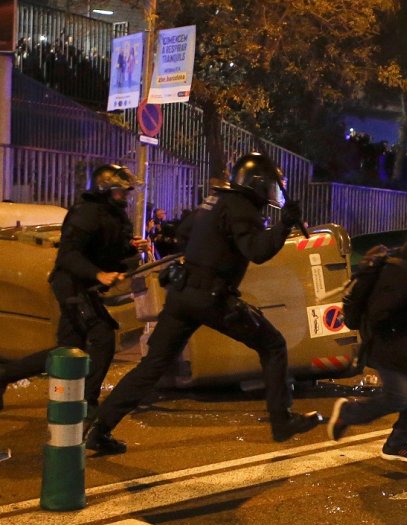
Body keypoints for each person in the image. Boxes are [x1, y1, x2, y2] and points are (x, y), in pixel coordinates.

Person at [85, 152, 321, 454]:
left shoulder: (216, 200)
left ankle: (100, 430)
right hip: (211, 298)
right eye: (273, 185)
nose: (275, 192)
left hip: (183, 293)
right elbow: (257, 250)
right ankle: (281, 419)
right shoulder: (243, 208)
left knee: (152, 366)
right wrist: (284, 225)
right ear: (258, 185)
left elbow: (184, 232)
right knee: (272, 345)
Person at [0, 164, 147, 418]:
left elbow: (111, 249)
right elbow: (69, 255)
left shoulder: (113, 214)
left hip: (85, 286)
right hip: (72, 285)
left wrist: (132, 248)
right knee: (102, 337)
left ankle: (4, 375)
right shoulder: (86, 214)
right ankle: (88, 402)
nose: (126, 196)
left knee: (67, 348)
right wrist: (98, 274)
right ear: (105, 189)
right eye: (120, 191)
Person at [328, 222, 407, 463]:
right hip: (387, 344)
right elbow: (380, 313)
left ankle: (396, 444)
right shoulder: (397, 270)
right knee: (400, 397)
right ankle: (347, 413)